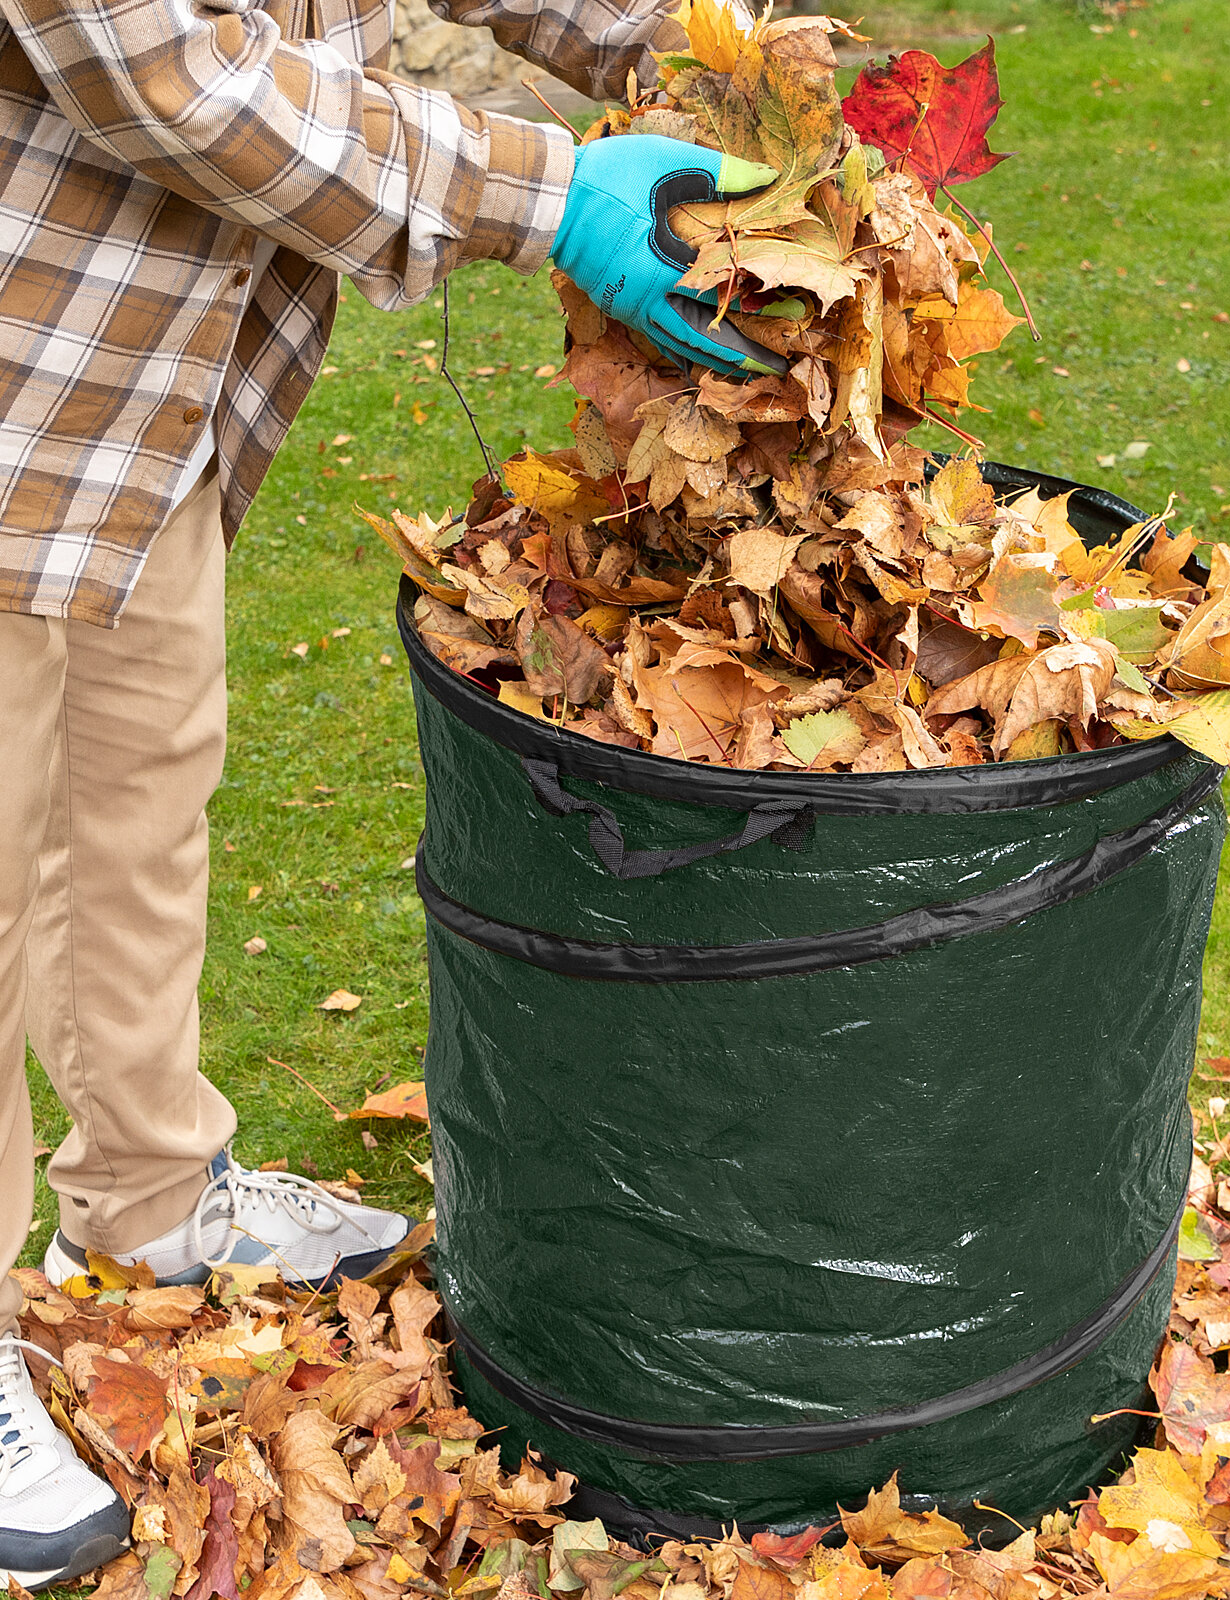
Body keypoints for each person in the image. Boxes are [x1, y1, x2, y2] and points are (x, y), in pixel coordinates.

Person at [0, 0, 776, 1584]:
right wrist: (547, 192)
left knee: (138, 798)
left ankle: (148, 1197)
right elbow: (165, 70)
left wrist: (694, 41)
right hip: (21, 353)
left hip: (134, 412)